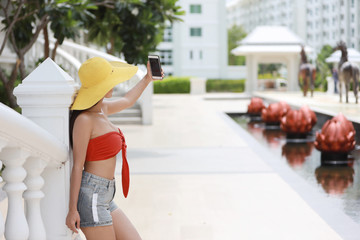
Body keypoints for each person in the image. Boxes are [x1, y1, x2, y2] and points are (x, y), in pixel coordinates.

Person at [66, 57, 163, 240]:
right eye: (109, 82)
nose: (114, 84)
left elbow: (127, 100)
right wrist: (72, 210)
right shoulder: (84, 120)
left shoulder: (102, 109)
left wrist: (147, 78)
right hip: (92, 196)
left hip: (106, 195)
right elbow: (78, 166)